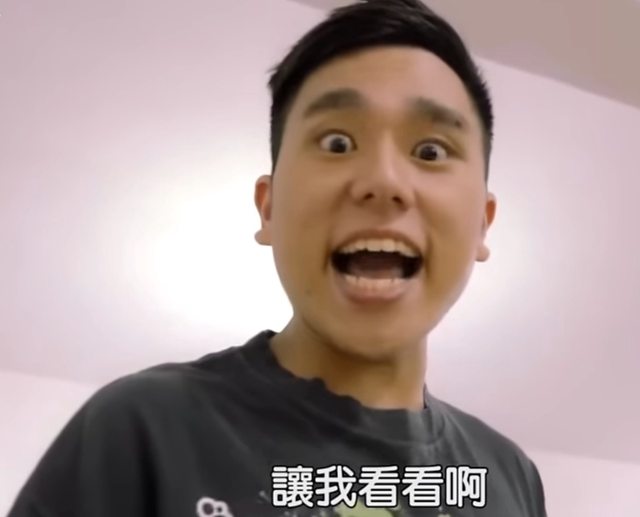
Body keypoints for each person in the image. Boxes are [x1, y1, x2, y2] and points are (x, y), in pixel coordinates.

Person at [8, 0, 547, 515]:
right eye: (337, 143)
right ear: (269, 208)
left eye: (430, 151)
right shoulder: (143, 427)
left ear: (482, 223)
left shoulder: (509, 476)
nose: (384, 181)